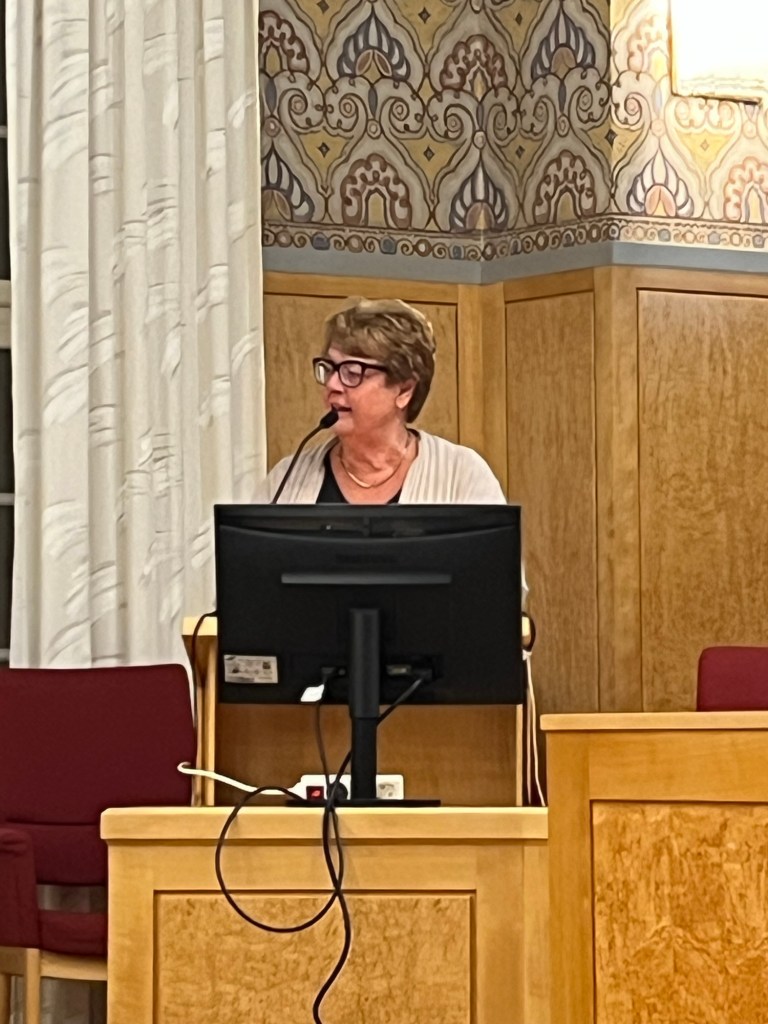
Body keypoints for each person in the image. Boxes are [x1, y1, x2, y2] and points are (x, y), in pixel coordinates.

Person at [254, 296, 507, 505]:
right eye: (329, 368)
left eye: (352, 372)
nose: (332, 385)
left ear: (404, 390)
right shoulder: (286, 481)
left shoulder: (462, 475)